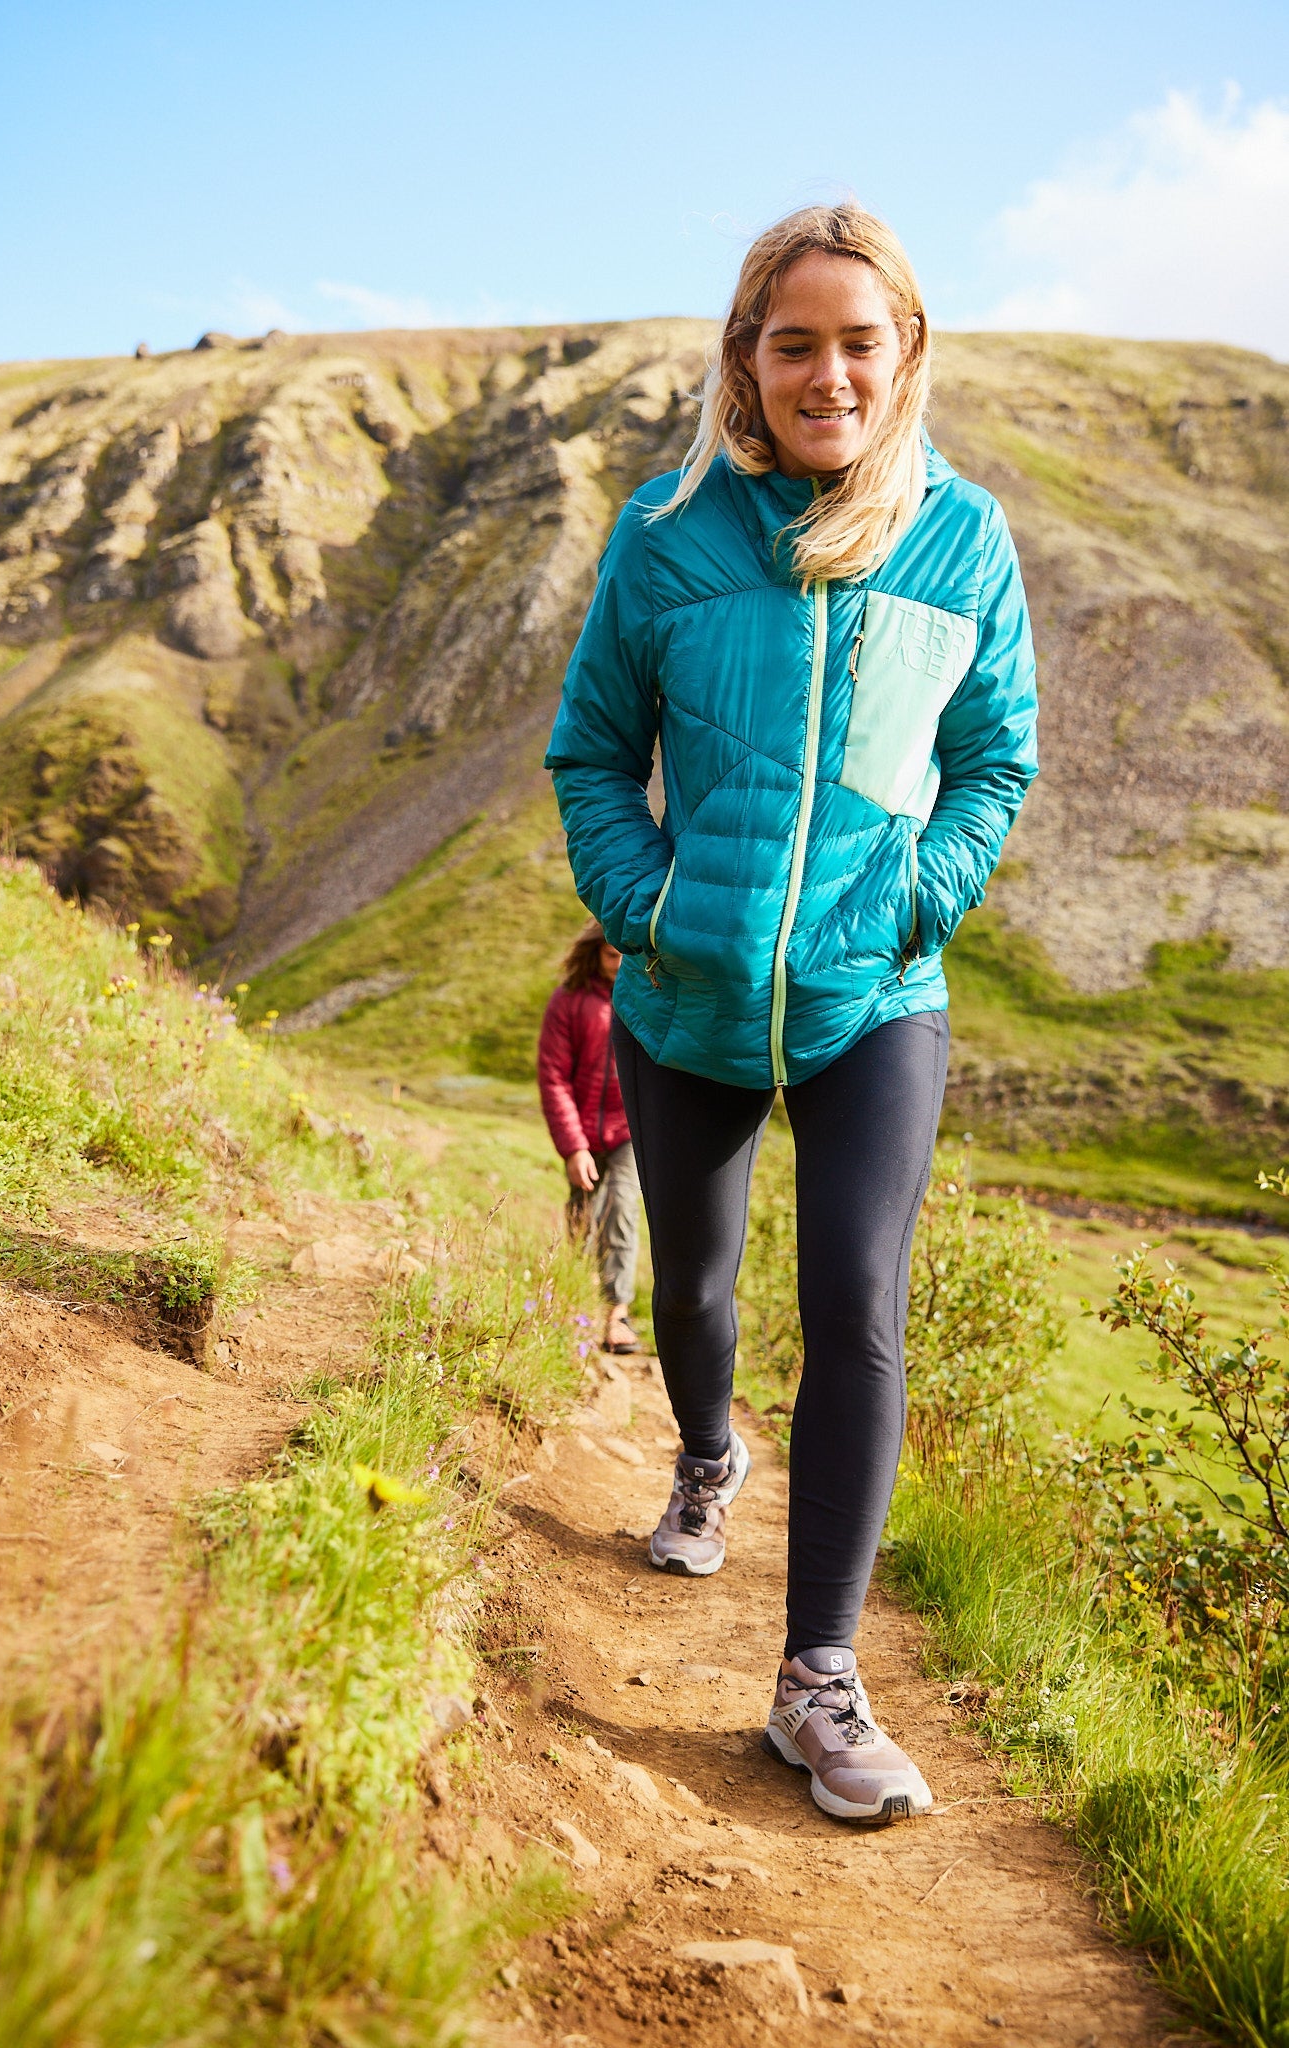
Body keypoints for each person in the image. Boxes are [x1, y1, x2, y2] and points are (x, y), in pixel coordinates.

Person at [545, 206, 1037, 1826]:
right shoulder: (668, 532)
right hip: (684, 999)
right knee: (691, 1285)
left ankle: (815, 1676)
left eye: (858, 339)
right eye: (793, 340)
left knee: (856, 1299)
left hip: (869, 997)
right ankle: (703, 1450)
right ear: (746, 360)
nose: (827, 371)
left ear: (904, 355)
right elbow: (591, 752)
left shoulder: (959, 537)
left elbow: (994, 760)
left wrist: (911, 901)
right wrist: (650, 908)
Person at [536, 920, 642, 1354]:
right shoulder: (569, 1001)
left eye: (624, 955)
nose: (618, 964)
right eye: (610, 955)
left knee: (621, 1208)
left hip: (628, 1133)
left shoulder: (645, 997)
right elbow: (554, 1077)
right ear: (594, 953)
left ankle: (616, 1313)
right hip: (581, 1132)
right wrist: (574, 1147)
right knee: (582, 1216)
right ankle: (575, 1299)